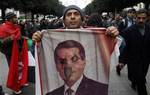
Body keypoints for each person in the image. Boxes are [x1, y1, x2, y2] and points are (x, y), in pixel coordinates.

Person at [32, 5, 119, 42]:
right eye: (69, 14)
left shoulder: (94, 35)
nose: (72, 17)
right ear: (64, 20)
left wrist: (112, 36)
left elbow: (117, 47)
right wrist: (38, 40)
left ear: (82, 19)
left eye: (76, 14)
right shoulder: (51, 36)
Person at [118, 9, 150, 95]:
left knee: (141, 76)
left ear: (147, 18)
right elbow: (125, 47)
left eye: (143, 18)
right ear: (135, 18)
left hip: (145, 60)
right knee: (141, 83)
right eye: (138, 18)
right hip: (133, 60)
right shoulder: (129, 31)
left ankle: (134, 82)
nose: (141, 20)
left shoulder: (149, 28)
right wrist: (121, 61)